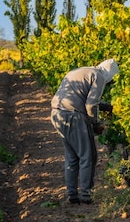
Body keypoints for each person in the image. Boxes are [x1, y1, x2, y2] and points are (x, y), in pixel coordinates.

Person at [50, 58, 119, 205]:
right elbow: (91, 105)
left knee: (72, 156)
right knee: (88, 156)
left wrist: (108, 107)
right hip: (73, 117)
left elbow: (82, 97)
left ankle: (72, 195)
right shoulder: (99, 77)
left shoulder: (83, 71)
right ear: (109, 75)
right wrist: (95, 124)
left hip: (57, 114)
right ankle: (87, 195)